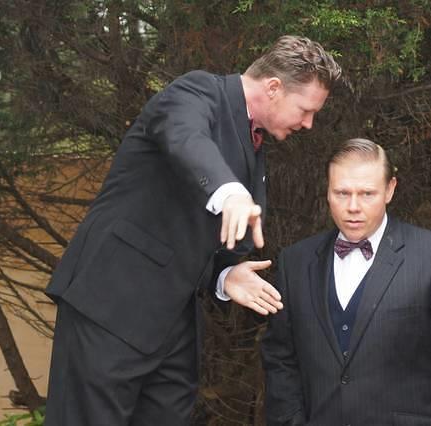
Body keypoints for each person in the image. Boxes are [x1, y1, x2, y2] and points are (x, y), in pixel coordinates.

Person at [43, 35, 341, 426]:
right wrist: (229, 192)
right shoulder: (197, 92)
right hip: (109, 307)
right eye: (305, 110)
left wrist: (225, 273)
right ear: (273, 88)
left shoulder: (254, 144)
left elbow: (192, 234)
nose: (309, 123)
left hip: (174, 330)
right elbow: (184, 137)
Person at [261, 138, 431, 426]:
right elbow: (280, 358)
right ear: (327, 191)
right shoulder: (295, 262)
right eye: (342, 193)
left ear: (390, 189)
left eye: (367, 194)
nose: (353, 207)